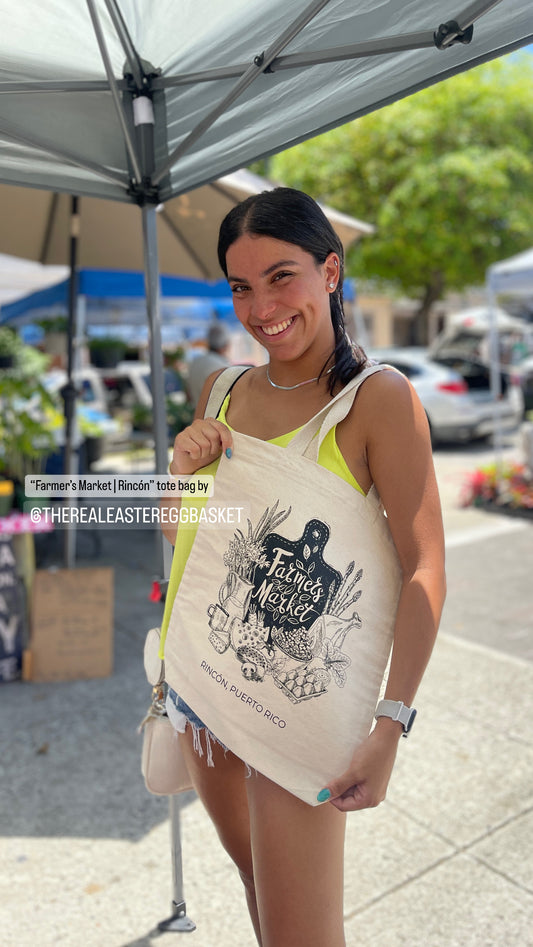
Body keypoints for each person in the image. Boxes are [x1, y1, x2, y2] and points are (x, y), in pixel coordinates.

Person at [160, 188, 446, 947]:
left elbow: (424, 564)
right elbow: (186, 537)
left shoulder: (374, 399)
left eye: (281, 276)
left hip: (300, 705)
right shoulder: (218, 390)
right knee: (258, 886)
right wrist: (183, 474)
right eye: (241, 287)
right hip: (202, 686)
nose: (261, 307)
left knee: (302, 934)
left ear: (330, 270)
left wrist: (390, 722)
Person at [186, 320, 231, 407]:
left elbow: (188, 396)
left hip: (197, 416)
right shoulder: (224, 368)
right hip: (216, 419)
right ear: (226, 346)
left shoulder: (195, 362)